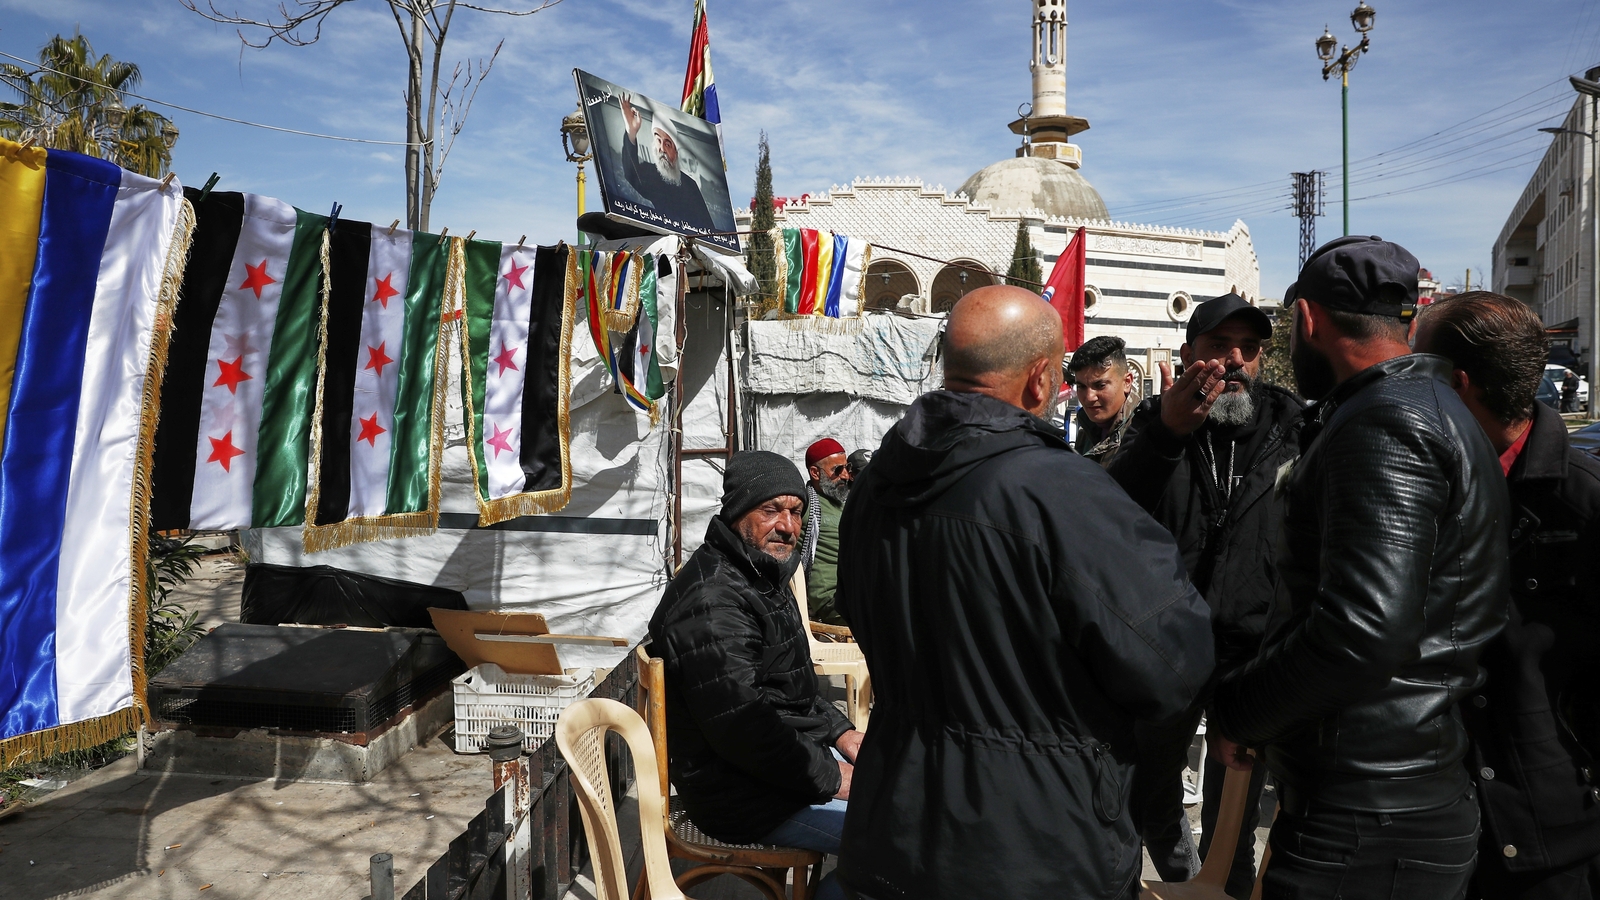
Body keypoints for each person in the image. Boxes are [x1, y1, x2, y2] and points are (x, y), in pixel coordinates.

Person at [835, 285, 1216, 899]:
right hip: (1034, 847)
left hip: (895, 828)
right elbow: (1175, 661)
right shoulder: (1057, 490)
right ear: (1041, 380)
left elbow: (857, 608)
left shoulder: (878, 482)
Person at [1210, 236, 1510, 900]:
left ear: (1308, 321)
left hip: (1368, 822)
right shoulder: (1421, 410)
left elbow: (1360, 632)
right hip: (1388, 803)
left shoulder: (1386, 424)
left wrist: (1240, 710)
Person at [1108, 292, 1304, 895]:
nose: (1236, 360)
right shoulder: (1155, 422)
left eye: (1249, 348)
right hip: (1169, 647)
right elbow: (1108, 512)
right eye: (1220, 347)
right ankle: (1180, 880)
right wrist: (1168, 432)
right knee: (1152, 791)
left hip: (1253, 649)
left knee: (1236, 807)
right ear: (1189, 352)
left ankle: (1226, 888)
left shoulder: (1294, 425)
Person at [1414, 292, 1600, 899]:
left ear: (1458, 385)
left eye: (1418, 374)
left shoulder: (1583, 502)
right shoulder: (1417, 488)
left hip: (1560, 844)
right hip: (1436, 830)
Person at [647, 451, 864, 900]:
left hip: (770, 774)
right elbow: (746, 731)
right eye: (771, 510)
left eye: (796, 511)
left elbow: (791, 687)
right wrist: (836, 777)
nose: (787, 525)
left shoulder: (758, 575)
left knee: (911, 809)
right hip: (740, 796)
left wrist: (842, 733)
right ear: (736, 512)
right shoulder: (714, 602)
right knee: (903, 836)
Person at [618, 94, 715, 231]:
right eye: (659, 141)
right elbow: (630, 174)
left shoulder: (690, 185)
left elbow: (708, 228)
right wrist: (631, 131)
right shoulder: (650, 172)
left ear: (676, 153)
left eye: (668, 144)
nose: (662, 148)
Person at [800, 438, 851, 625]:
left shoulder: (845, 502)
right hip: (831, 599)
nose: (845, 475)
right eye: (837, 470)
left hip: (857, 589)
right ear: (815, 472)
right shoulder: (804, 503)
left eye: (847, 468)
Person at [1069, 334, 1139, 466]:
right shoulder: (1087, 430)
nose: (1089, 397)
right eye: (1081, 386)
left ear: (1127, 382)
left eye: (1100, 386)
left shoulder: (1142, 432)